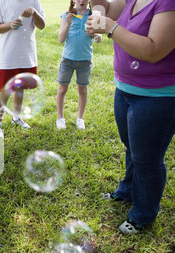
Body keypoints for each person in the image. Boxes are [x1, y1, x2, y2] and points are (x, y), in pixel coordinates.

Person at [87, 0, 175, 234]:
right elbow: (105, 7)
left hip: (158, 96)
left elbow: (153, 50)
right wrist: (97, 12)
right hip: (125, 89)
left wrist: (111, 27)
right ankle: (127, 191)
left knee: (147, 159)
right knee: (132, 147)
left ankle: (143, 214)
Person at [0, 0, 45, 138]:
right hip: (8, 55)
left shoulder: (34, 2)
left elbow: (42, 25)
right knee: (5, 91)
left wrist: (34, 12)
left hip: (26, 55)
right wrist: (9, 25)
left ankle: (16, 117)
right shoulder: (2, 2)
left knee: (20, 88)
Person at [56, 0, 102, 130]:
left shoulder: (93, 16)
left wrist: (95, 34)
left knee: (82, 90)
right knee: (62, 89)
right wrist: (68, 23)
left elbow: (99, 39)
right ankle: (60, 118)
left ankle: (80, 118)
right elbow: (60, 39)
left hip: (85, 60)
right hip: (68, 60)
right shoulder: (67, 15)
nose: (81, 1)